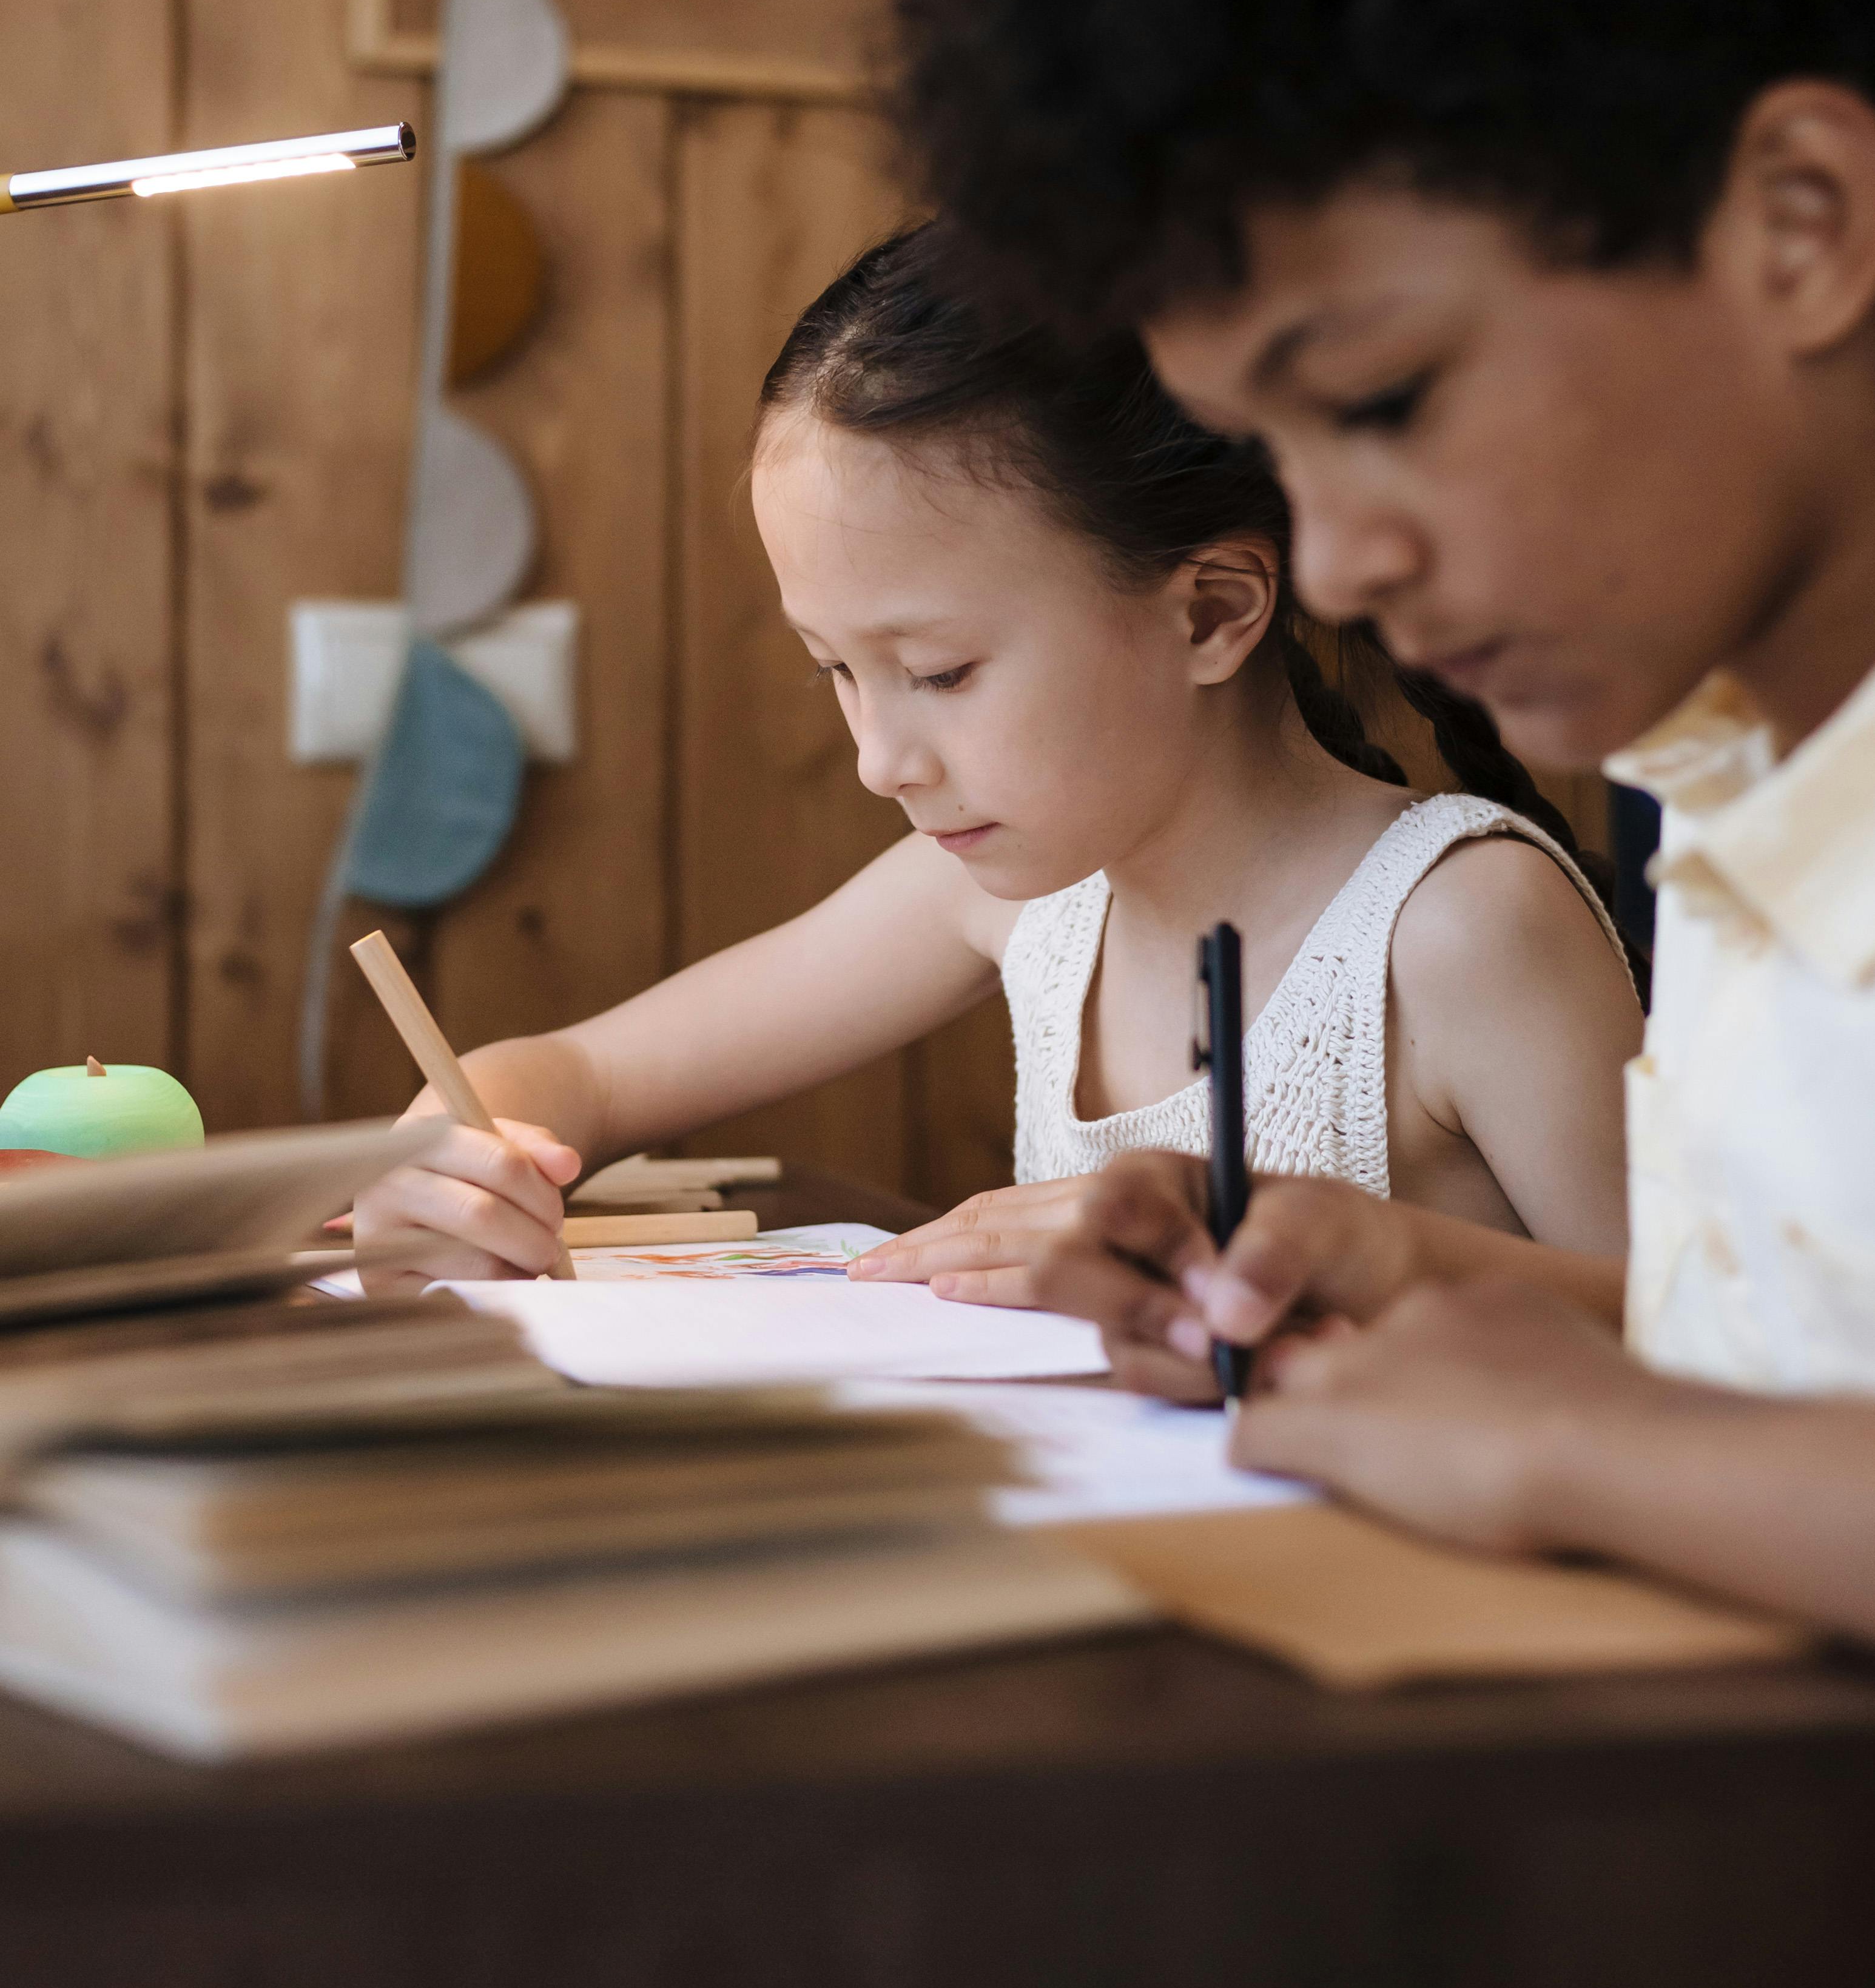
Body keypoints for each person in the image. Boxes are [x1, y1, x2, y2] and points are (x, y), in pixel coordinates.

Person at [884, 0, 1875, 1639]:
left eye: (1389, 399)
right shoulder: (1731, 791)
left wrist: (1583, 1436)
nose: (1334, 568)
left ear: (1795, 221)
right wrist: (1462, 1294)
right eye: (1276, 451)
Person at [351, 227, 1638, 1295]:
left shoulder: (1460, 929)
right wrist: (448, 1156)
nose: (877, 759)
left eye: (942, 672)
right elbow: (588, 1072)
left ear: (1208, 613)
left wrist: (1351, 1262)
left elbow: (1724, 1345)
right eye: (836, 670)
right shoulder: (1011, 891)